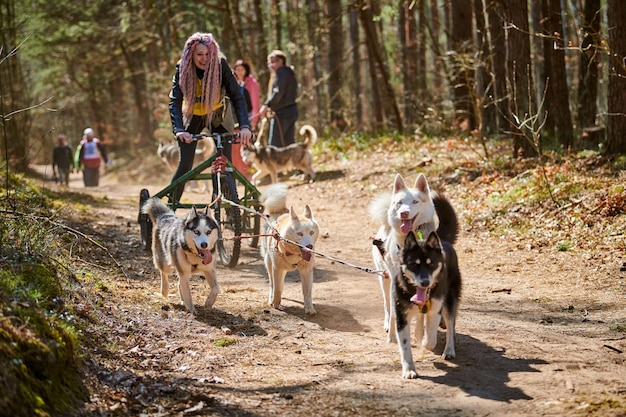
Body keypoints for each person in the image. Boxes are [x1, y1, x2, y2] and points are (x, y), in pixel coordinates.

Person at [169, 32, 252, 202]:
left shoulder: (220, 65)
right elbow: (175, 101)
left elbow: (237, 97)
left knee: (224, 163)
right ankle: (170, 207)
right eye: (199, 54)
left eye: (207, 54)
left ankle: (227, 206)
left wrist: (244, 126)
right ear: (190, 54)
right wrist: (178, 130)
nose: (204, 58)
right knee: (185, 165)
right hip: (192, 115)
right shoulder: (182, 67)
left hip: (218, 115)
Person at [258, 50, 298, 147]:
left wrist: (267, 104)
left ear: (280, 61)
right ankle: (290, 162)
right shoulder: (289, 73)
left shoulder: (282, 72)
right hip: (291, 110)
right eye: (269, 63)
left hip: (282, 113)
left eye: (273, 62)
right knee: (288, 145)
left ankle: (275, 162)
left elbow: (278, 92)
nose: (271, 66)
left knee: (275, 145)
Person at [233, 59, 261, 131]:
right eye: (237, 69)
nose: (239, 72)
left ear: (246, 71)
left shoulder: (251, 83)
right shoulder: (233, 82)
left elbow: (254, 101)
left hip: (249, 117)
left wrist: (254, 120)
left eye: (242, 69)